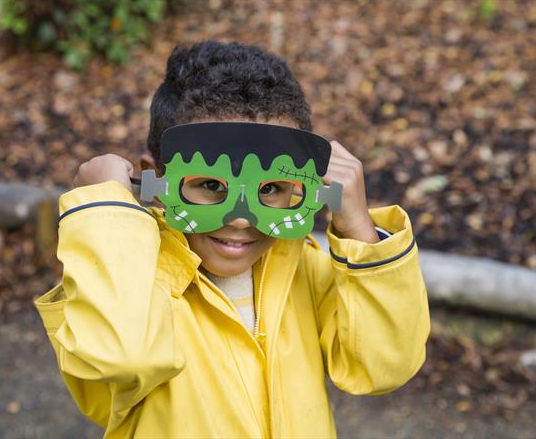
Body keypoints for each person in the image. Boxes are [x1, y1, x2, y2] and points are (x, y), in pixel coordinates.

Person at [35, 40, 430, 438]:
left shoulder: (305, 269)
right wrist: (107, 210)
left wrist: (360, 232)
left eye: (271, 189)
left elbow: (384, 365)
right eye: (211, 185)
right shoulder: (125, 282)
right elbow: (121, 358)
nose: (241, 220)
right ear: (153, 179)